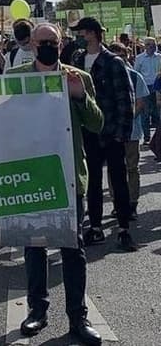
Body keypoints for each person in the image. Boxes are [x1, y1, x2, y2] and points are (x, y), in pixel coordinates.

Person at [7, 22, 104, 346]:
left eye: (53, 41)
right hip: (32, 176)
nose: (47, 46)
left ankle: (78, 317)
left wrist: (80, 96)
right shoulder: (15, 78)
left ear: (61, 44)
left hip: (68, 175)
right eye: (42, 42)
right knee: (34, 246)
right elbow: (2, 121)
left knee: (73, 249)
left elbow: (97, 123)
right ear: (32, 45)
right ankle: (37, 310)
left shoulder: (78, 77)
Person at [70, 17, 137, 251]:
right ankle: (96, 227)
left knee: (118, 181)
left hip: (110, 131)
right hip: (88, 131)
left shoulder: (113, 62)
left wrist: (121, 132)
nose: (79, 37)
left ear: (92, 33)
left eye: (81, 32)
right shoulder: (77, 60)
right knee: (93, 182)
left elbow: (125, 99)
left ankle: (124, 229)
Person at [109, 42, 146, 221]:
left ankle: (132, 203)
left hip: (131, 131)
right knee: (114, 169)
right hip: (112, 132)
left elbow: (140, 103)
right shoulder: (105, 76)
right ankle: (117, 203)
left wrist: (126, 119)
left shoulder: (135, 76)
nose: (119, 60)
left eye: (122, 56)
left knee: (132, 167)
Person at [133, 37, 161, 143]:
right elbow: (136, 73)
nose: (151, 47)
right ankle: (147, 137)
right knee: (145, 113)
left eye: (153, 45)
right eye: (149, 44)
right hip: (145, 87)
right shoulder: (139, 58)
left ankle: (157, 139)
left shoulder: (159, 57)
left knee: (157, 113)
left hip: (158, 87)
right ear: (145, 46)